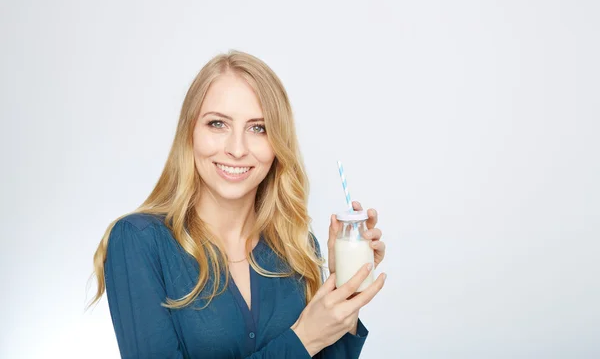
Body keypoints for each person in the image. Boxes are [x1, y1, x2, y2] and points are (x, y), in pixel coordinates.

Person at [88, 50, 387, 358]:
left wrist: (342, 293)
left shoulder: (296, 247)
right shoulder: (138, 242)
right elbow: (304, 345)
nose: (237, 149)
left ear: (277, 143)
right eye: (218, 124)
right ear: (189, 132)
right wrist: (303, 339)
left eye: (258, 128)